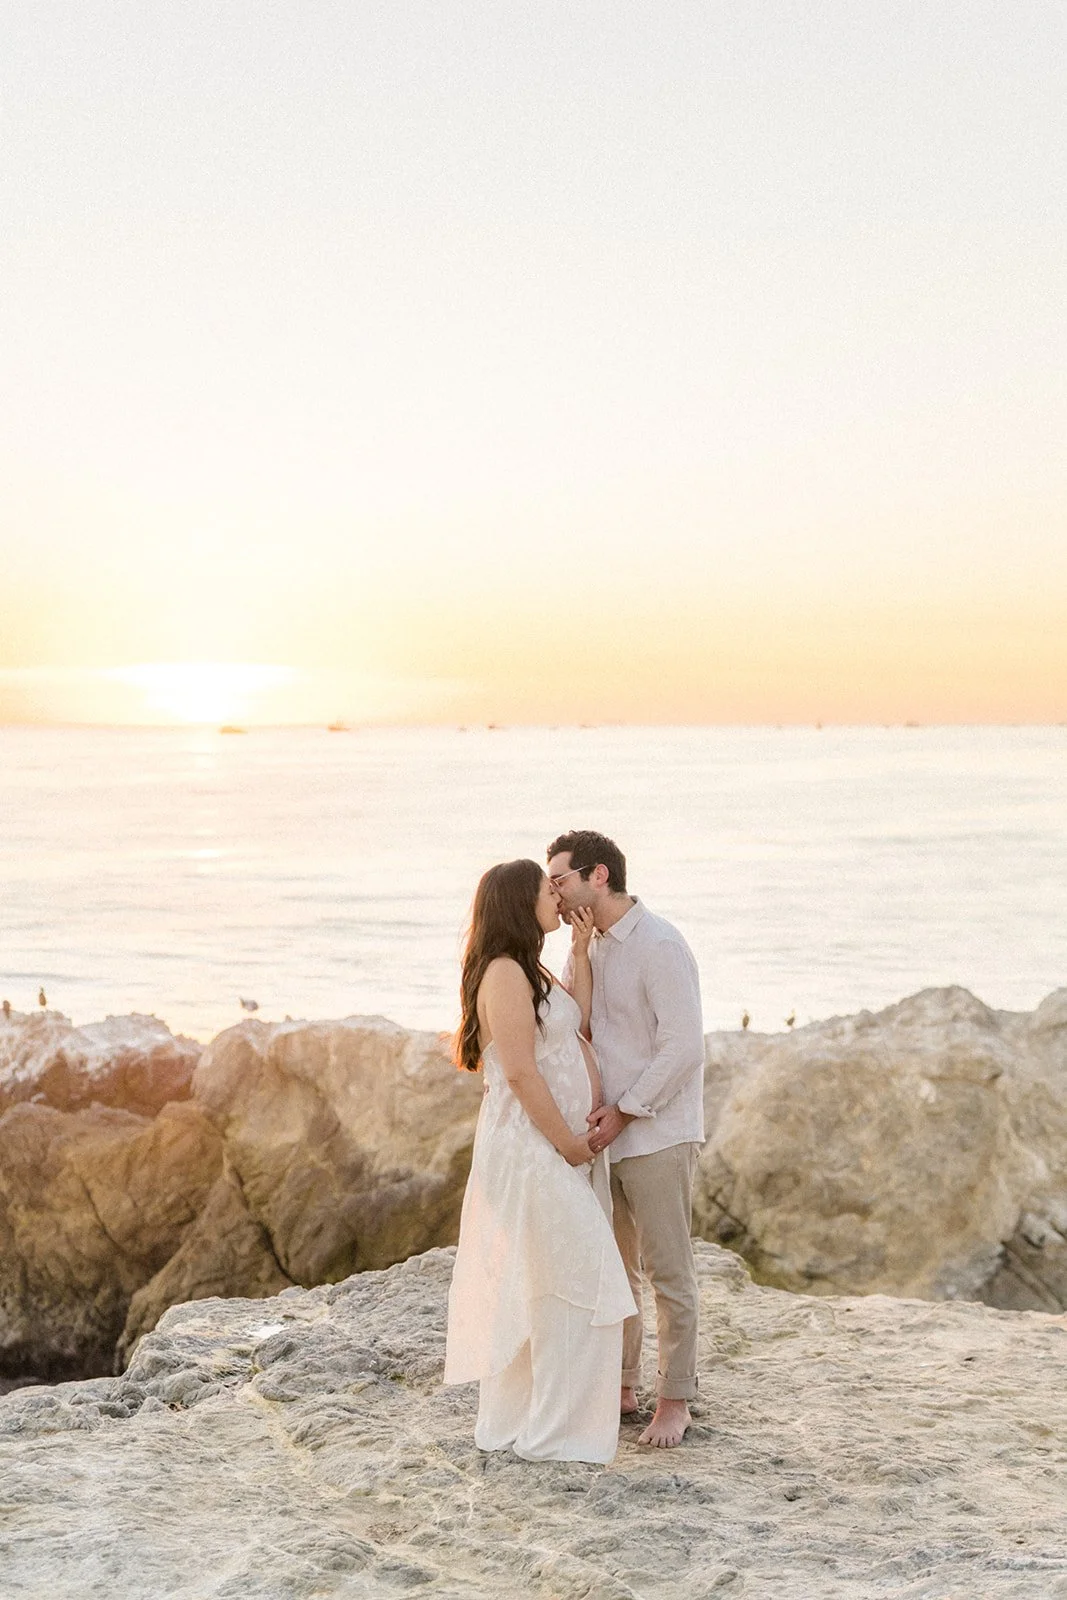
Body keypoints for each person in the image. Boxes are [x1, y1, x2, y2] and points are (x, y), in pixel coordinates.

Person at [443, 858, 637, 1463]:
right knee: (581, 1276)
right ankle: (553, 1431)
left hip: (545, 1149)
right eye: (544, 889)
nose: (556, 895)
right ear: (516, 904)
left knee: (556, 1282)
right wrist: (568, 1145)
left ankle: (546, 1424)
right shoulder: (502, 973)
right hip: (529, 1151)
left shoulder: (532, 968)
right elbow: (523, 1075)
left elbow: (573, 1023)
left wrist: (579, 950)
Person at [546, 829, 705, 1449]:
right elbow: (575, 1030)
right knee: (614, 1269)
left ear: (599, 876)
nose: (553, 895)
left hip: (657, 1133)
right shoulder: (588, 947)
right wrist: (580, 957)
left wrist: (628, 1110)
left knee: (670, 1272)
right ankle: (623, 1385)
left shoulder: (661, 944)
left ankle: (676, 1400)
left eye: (560, 880)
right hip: (603, 1136)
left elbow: (684, 1047)